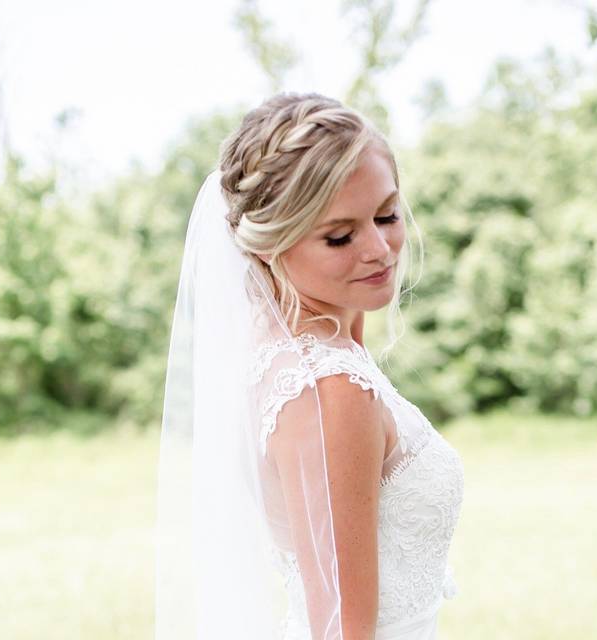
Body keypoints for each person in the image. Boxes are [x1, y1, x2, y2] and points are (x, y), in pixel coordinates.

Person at [155, 92, 464, 640]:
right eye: (340, 235)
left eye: (387, 215)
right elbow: (345, 628)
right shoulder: (329, 389)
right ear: (272, 242)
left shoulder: (295, 353)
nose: (380, 248)